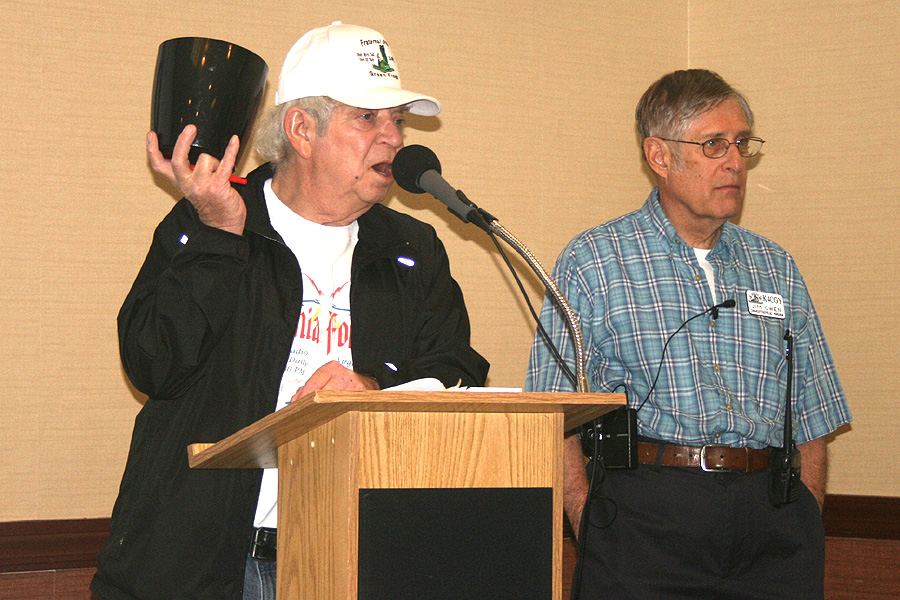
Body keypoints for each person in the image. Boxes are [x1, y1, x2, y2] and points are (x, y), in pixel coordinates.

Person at [91, 22, 489, 600]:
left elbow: (458, 368)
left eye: (398, 119)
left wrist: (374, 385)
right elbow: (153, 363)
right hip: (203, 566)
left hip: (352, 557)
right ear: (302, 130)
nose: (394, 138)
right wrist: (219, 234)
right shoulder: (212, 220)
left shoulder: (410, 248)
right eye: (368, 117)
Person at [526, 69, 851, 599]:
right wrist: (592, 525)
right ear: (659, 156)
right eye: (714, 144)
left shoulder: (776, 267)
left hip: (772, 526)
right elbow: (553, 413)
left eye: (742, 143)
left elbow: (814, 412)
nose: (735, 162)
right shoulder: (594, 261)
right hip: (645, 521)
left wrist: (804, 521)